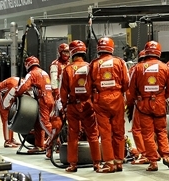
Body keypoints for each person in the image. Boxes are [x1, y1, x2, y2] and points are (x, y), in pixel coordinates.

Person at [127, 41, 169, 171]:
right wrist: (161, 97)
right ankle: (166, 156)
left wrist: (135, 101)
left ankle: (153, 161)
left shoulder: (137, 68)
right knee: (161, 131)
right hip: (159, 103)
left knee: (147, 134)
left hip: (143, 104)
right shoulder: (165, 68)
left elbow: (131, 89)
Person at [60, 40, 102, 172]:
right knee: (93, 134)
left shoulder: (67, 69)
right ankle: (97, 163)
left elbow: (63, 91)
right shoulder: (91, 67)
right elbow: (96, 86)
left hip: (73, 105)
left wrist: (64, 105)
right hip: (88, 105)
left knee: (73, 135)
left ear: (72, 53)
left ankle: (72, 164)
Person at [89, 37, 130, 173]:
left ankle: (109, 163)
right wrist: (119, 92)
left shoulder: (94, 64)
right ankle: (119, 162)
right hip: (117, 98)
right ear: (112, 48)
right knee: (119, 131)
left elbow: (88, 85)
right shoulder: (120, 62)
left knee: (105, 133)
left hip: (101, 99)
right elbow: (126, 82)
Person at [12, 56, 54, 154]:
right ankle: (40, 145)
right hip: (50, 99)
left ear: (27, 65)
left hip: (42, 100)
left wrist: (17, 93)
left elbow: (24, 86)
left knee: (44, 123)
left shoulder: (31, 74)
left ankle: (57, 143)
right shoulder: (44, 73)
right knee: (38, 124)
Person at [0, 76, 22, 148]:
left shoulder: (24, 84)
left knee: (11, 115)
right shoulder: (14, 87)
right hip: (0, 93)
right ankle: (7, 141)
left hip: (8, 92)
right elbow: (5, 103)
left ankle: (11, 138)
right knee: (6, 117)